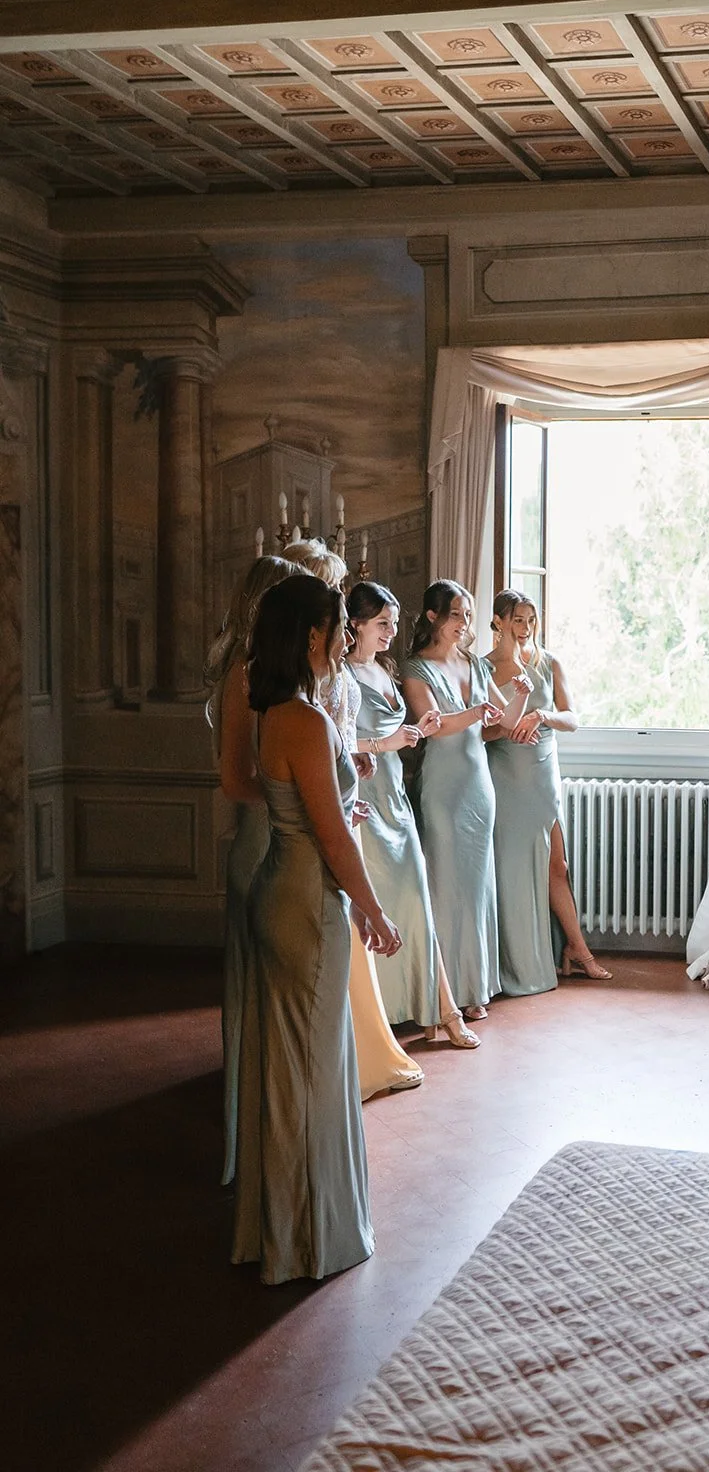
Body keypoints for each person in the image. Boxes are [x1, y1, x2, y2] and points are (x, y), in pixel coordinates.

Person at [232, 574, 403, 1283]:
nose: (343, 639)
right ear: (312, 636)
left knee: (290, 1063)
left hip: (279, 887)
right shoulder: (308, 720)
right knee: (313, 1070)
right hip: (309, 903)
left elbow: (299, 805)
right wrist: (374, 908)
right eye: (337, 626)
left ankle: (281, 1230)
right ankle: (310, 1238)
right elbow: (332, 845)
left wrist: (339, 806)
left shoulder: (276, 711)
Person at [285, 539, 424, 1097]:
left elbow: (334, 750)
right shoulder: (305, 687)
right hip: (318, 826)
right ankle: (338, 1066)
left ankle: (355, 1053)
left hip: (353, 802)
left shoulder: (339, 674)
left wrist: (351, 773)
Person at [346, 581, 480, 1049]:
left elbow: (394, 734)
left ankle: (435, 1010)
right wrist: (386, 744)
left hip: (395, 796)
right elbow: (336, 742)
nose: (390, 633)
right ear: (356, 624)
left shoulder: (384, 669)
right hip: (363, 799)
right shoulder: (340, 677)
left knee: (417, 903)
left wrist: (414, 732)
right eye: (382, 624)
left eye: (394, 624)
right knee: (386, 907)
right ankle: (400, 1017)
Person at [206, 552, 302, 1186]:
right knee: (252, 994)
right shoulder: (242, 675)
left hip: (282, 842)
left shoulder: (273, 674)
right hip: (258, 845)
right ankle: (247, 1147)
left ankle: (280, 1134)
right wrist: (296, 804)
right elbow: (234, 781)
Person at [484, 589, 611, 993]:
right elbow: (481, 731)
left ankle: (576, 949)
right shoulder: (482, 668)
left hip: (542, 774)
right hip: (505, 774)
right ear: (498, 622)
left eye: (530, 620)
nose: (524, 629)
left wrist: (541, 714)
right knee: (513, 871)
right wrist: (507, 725)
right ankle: (516, 962)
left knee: (558, 866)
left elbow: (572, 718)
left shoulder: (549, 662)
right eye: (516, 620)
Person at [403, 580, 504, 1021]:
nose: (465, 623)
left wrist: (516, 698)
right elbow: (434, 725)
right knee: (445, 884)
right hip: (442, 786)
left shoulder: (476, 666)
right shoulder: (414, 668)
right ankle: (443, 991)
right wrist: (477, 713)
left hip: (478, 784)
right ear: (433, 617)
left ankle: (476, 987)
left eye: (468, 614)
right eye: (458, 614)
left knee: (477, 887)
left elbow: (497, 726)